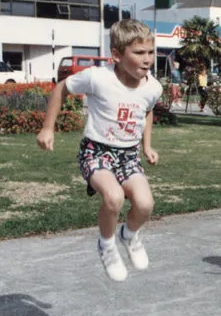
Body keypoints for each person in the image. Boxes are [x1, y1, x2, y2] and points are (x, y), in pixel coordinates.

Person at [36, 19, 163, 282]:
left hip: (128, 154)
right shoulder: (98, 77)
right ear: (116, 55)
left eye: (150, 52)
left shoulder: (153, 86)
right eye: (138, 53)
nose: (147, 59)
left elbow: (146, 110)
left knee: (145, 204)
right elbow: (61, 88)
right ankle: (106, 245)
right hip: (96, 151)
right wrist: (48, 128)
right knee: (114, 197)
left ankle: (128, 235)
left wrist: (146, 145)